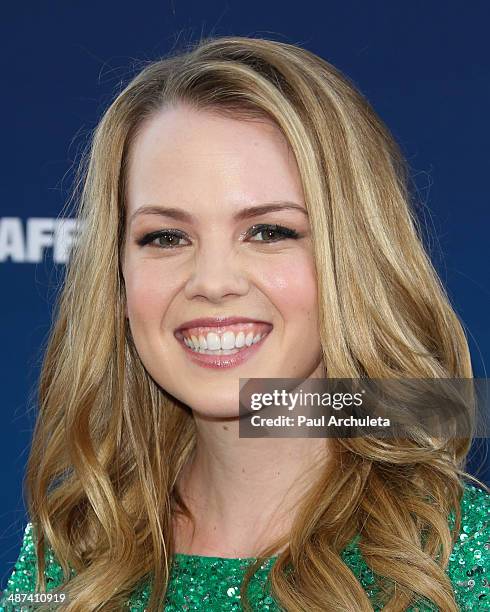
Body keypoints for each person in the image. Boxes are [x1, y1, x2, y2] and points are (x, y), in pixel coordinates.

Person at [1, 35, 488, 612]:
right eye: (165, 236)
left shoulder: (452, 557)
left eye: (268, 232)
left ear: (352, 256)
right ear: (117, 272)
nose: (211, 280)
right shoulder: (71, 551)